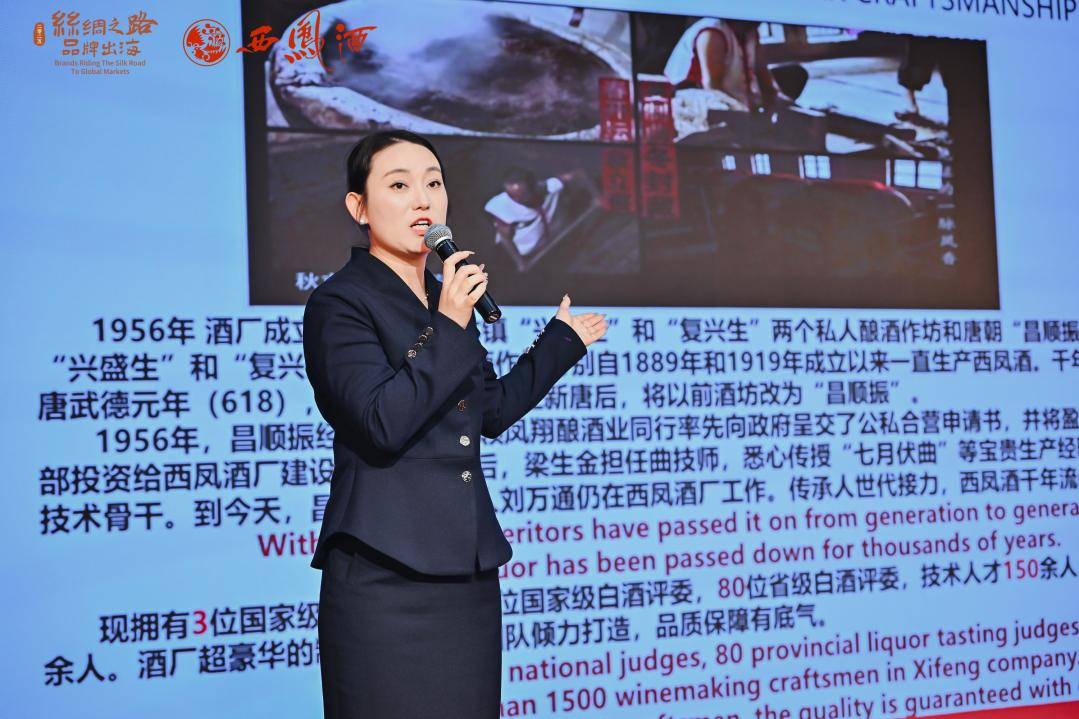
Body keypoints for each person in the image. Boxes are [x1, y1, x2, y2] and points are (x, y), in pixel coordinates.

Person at [303, 129, 608, 719]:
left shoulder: (445, 302)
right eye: (399, 185)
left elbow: (488, 412)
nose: (423, 199)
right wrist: (447, 323)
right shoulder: (340, 304)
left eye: (434, 183)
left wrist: (560, 344)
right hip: (384, 575)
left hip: (467, 573)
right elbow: (380, 422)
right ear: (359, 207)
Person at [663, 18, 785, 112]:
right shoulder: (712, 31)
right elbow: (713, 88)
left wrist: (785, 104)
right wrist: (745, 113)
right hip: (692, 108)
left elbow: (766, 81)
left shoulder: (752, 33)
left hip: (736, 110)